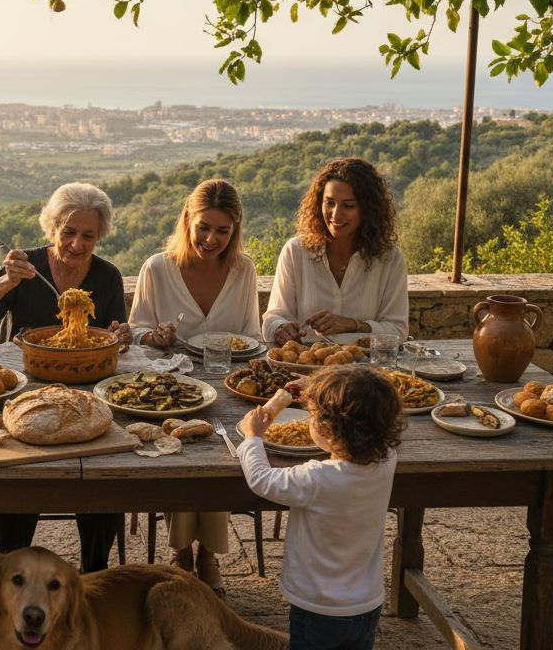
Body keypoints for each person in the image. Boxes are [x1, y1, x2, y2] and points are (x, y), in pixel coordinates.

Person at [0, 182, 131, 572]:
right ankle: (14, 565)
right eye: (68, 232)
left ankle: (95, 572)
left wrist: (122, 334)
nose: (76, 243)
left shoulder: (106, 276)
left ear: (99, 236)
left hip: (89, 390)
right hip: (29, 387)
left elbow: (111, 334)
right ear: (51, 228)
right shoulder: (27, 266)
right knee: (18, 477)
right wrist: (6, 281)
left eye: (88, 235)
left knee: (105, 478)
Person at [129, 179, 258, 595]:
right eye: (204, 227)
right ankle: (188, 552)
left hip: (226, 384)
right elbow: (136, 333)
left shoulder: (243, 269)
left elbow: (252, 337)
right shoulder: (158, 268)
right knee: (180, 449)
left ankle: (202, 554)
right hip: (168, 386)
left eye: (223, 231)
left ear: (235, 229)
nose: (211, 239)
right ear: (187, 221)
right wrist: (155, 336)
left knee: (220, 452)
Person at [237, 366, 403, 650]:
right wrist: (316, 389)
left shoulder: (316, 478)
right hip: (366, 603)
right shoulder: (387, 461)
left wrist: (253, 438)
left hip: (317, 608)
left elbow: (262, 480)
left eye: (312, 414)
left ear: (326, 429)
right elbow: (368, 406)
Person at [262, 157, 408, 345]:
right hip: (305, 368)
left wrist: (353, 325)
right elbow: (272, 319)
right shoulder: (295, 252)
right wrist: (280, 329)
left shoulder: (390, 259)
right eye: (329, 203)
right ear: (318, 203)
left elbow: (398, 331)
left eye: (348, 205)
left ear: (368, 209)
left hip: (365, 370)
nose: (336, 214)